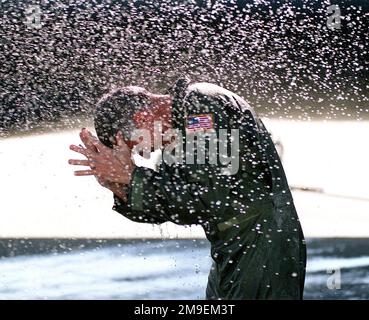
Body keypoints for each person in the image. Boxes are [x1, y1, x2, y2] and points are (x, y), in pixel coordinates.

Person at [69, 76, 306, 299]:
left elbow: (208, 198)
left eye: (137, 147)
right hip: (235, 245)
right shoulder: (176, 133)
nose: (146, 153)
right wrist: (118, 185)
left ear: (142, 119)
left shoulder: (200, 106)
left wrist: (131, 176)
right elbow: (175, 206)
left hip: (263, 243)